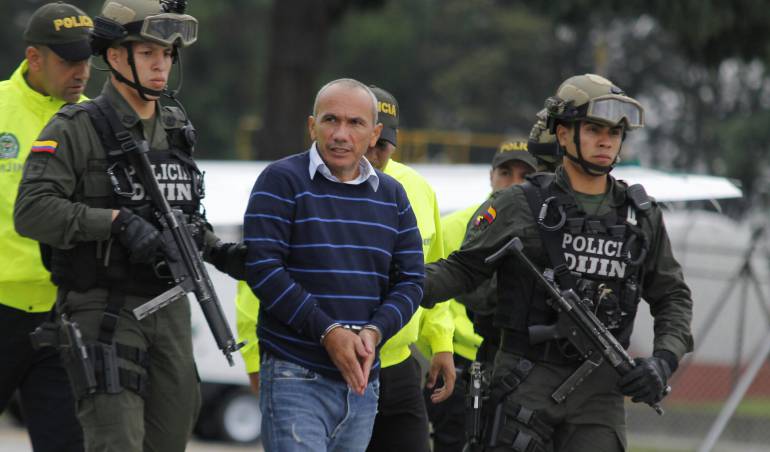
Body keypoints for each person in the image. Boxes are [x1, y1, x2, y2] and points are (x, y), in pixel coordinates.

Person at [14, 1, 243, 451]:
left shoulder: (175, 126)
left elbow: (183, 215)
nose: (161, 65)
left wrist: (219, 250)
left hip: (170, 308)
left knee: (171, 437)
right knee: (116, 440)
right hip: (104, 309)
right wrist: (114, 222)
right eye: (148, 52)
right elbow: (32, 211)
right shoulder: (75, 127)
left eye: (168, 54)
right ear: (116, 56)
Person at [423, 74, 693, 452]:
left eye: (615, 133)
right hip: (524, 382)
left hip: (600, 395)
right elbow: (462, 270)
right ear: (563, 135)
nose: (606, 141)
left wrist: (663, 361)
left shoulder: (640, 216)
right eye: (594, 129)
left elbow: (673, 296)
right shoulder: (519, 204)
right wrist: (394, 281)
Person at [244, 78, 424, 452]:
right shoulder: (281, 180)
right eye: (331, 120)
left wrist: (374, 332)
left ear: (374, 134)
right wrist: (329, 332)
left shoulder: (392, 195)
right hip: (295, 373)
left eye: (355, 123)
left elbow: (411, 280)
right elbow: (263, 269)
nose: (341, 134)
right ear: (312, 126)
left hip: (363, 381)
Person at [0, 3, 91, 451]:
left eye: (87, 59)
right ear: (34, 58)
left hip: (65, 315)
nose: (82, 72)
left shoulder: (98, 121)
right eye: (68, 60)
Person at [425, 140, 537, 452]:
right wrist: (443, 347)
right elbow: (433, 290)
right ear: (491, 176)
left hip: (521, 363)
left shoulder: (546, 232)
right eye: (505, 173)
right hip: (459, 360)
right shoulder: (454, 226)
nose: (513, 183)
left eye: (525, 175)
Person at [363, 85, 455, 452]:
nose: (376, 153)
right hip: (333, 365)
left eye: (384, 144)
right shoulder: (310, 187)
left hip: (399, 364)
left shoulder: (418, 189)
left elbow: (431, 273)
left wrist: (442, 344)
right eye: (370, 143)